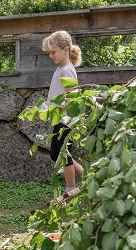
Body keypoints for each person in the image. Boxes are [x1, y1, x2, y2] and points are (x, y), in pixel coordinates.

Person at [42, 30, 84, 197]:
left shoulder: (66, 70)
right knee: (55, 154)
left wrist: (55, 109)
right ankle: (87, 176)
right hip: (60, 120)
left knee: (63, 154)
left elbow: (72, 99)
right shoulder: (61, 68)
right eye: (49, 53)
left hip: (66, 120)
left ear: (65, 49)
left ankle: (71, 190)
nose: (51, 55)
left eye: (53, 52)